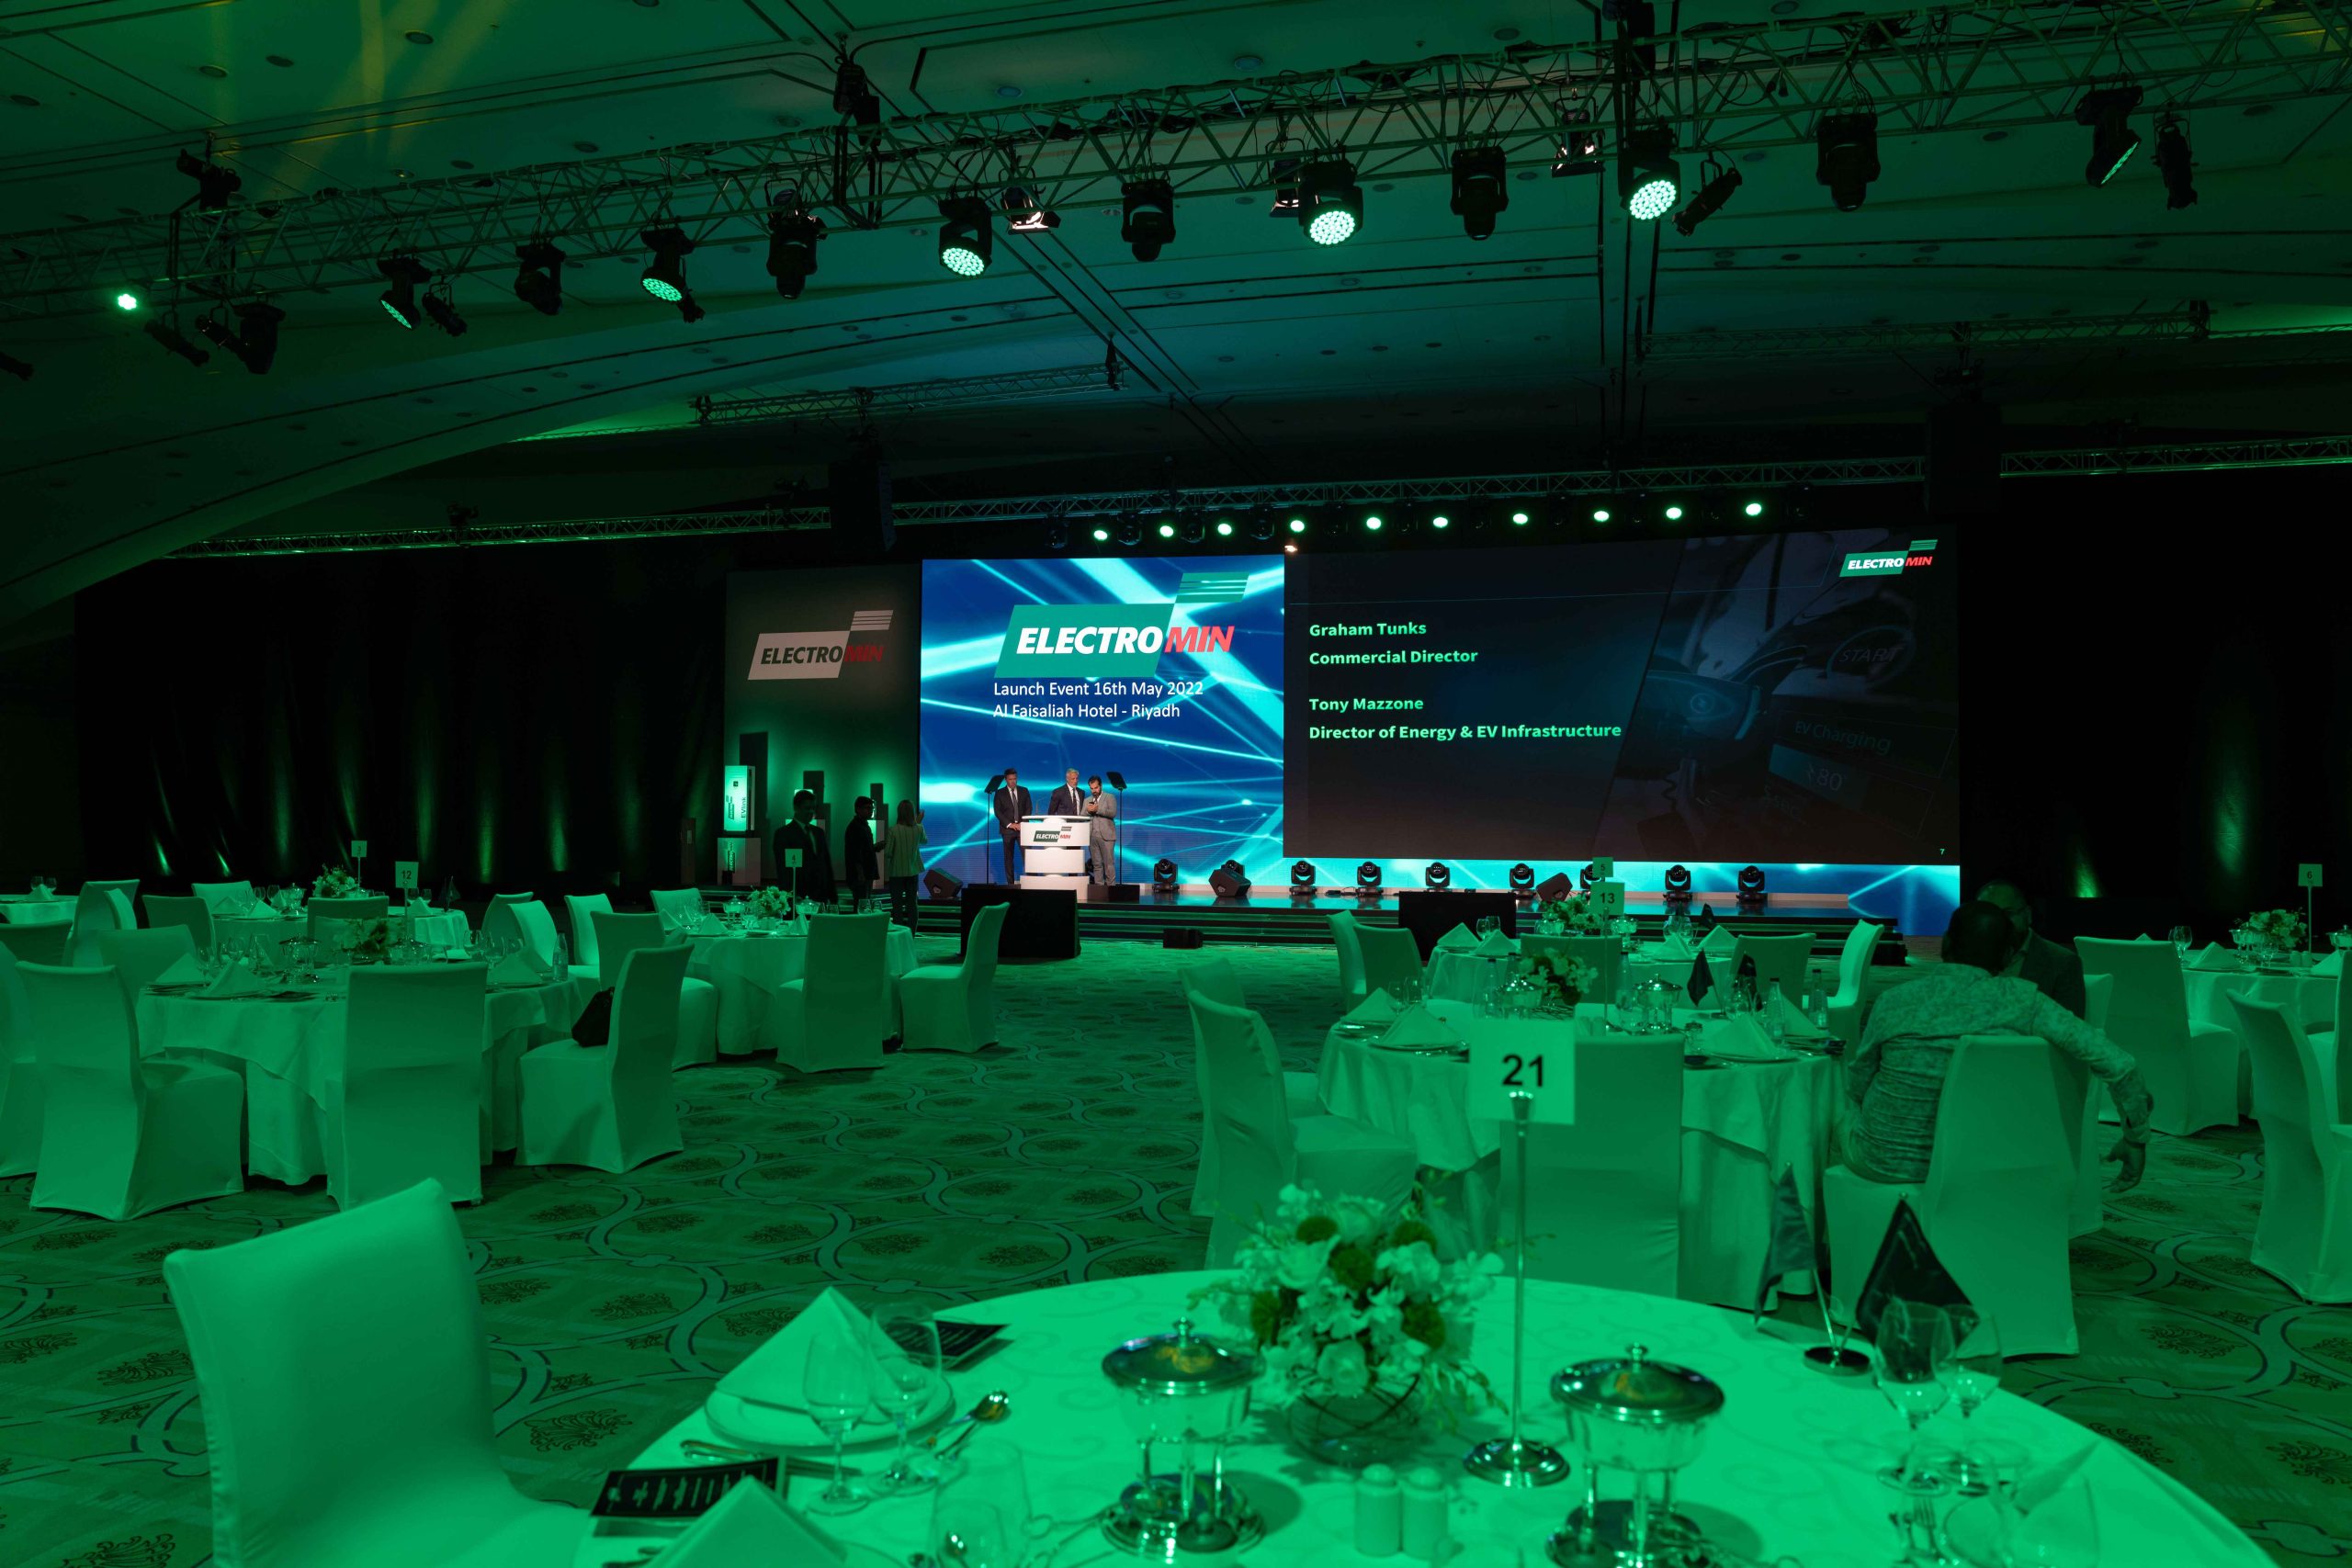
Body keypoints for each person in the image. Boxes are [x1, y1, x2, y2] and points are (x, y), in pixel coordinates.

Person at [1846, 900, 2154, 1189]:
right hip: (1979, 1167)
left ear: (1944, 944)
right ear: (2007, 956)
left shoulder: (1893, 1001)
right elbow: (2122, 1066)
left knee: (1830, 1108)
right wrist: (2135, 1139)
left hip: (1881, 1164)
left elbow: (1856, 1086)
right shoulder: (2027, 1004)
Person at [1977, 878, 2087, 1018]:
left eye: (2008, 913)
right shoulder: (1969, 958)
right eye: (1990, 916)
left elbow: (2070, 1025)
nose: (1999, 923)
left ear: (2028, 915)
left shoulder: (2062, 963)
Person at [772, 788, 835, 905]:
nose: (811, 812)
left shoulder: (818, 833)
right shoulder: (784, 834)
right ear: (796, 808)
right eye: (807, 808)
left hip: (821, 896)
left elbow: (826, 865)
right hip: (799, 897)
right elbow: (783, 869)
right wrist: (790, 896)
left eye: (813, 808)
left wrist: (832, 896)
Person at [881, 799, 927, 930]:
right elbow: (924, 841)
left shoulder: (893, 830)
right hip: (912, 872)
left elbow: (888, 853)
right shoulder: (919, 828)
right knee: (912, 905)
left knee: (897, 906)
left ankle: (899, 934)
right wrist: (918, 822)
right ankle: (911, 935)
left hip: (896, 873)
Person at [992, 767, 1032, 883]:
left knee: (1028, 856)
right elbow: (997, 811)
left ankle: (1031, 881)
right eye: (1010, 779)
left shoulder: (1024, 791)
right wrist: (1010, 824)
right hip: (1007, 830)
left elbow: (1029, 808)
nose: (1013, 781)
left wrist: (1022, 823)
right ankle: (1010, 883)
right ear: (1006, 780)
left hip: (1022, 829)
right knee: (1008, 858)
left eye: (1015, 779)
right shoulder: (999, 793)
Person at [842, 796, 880, 905]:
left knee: (863, 903)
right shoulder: (855, 827)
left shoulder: (863, 825)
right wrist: (860, 874)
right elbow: (854, 854)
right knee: (862, 905)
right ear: (858, 809)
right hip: (861, 875)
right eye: (867, 808)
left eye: (872, 808)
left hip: (865, 873)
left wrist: (874, 847)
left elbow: (862, 849)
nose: (871, 811)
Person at [1085, 774, 1119, 886]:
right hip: (1092, 836)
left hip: (1107, 836)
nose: (1094, 790)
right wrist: (1088, 811)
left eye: (1096, 788)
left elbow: (1112, 813)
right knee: (1097, 865)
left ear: (1101, 786)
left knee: (1108, 864)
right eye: (1092, 788)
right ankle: (1099, 889)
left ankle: (1110, 889)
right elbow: (1082, 815)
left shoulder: (1110, 797)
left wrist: (1098, 809)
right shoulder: (1087, 800)